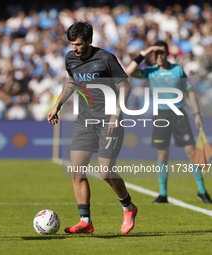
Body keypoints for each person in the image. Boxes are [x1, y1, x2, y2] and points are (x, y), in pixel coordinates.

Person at [47, 21, 137, 234]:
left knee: (105, 172)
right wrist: (57, 105)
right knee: (76, 170)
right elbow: (71, 80)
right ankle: (85, 221)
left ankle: (129, 207)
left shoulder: (106, 59)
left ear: (89, 40)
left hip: (109, 120)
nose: (74, 49)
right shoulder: (70, 58)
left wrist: (116, 113)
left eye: (78, 44)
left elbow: (125, 86)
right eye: (71, 44)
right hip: (84, 121)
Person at [125, 40, 211, 203]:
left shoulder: (177, 70)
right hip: (161, 116)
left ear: (167, 54)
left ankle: (202, 191)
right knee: (162, 154)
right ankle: (163, 194)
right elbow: (129, 71)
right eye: (156, 53)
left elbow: (190, 91)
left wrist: (197, 113)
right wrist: (146, 51)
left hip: (179, 114)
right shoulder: (150, 71)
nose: (159, 56)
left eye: (162, 52)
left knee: (192, 153)